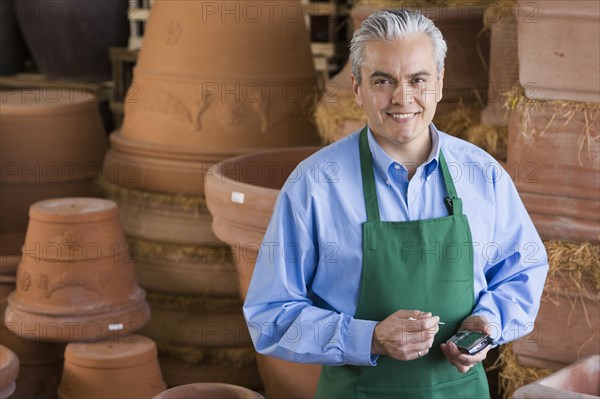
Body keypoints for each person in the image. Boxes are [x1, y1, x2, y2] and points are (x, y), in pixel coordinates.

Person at [243, 8, 548, 398]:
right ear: (356, 87)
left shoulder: (483, 175)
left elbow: (523, 268)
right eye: (383, 80)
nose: (402, 98)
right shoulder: (315, 184)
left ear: (439, 82)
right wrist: (367, 337)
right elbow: (269, 316)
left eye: (418, 80)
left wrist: (489, 321)